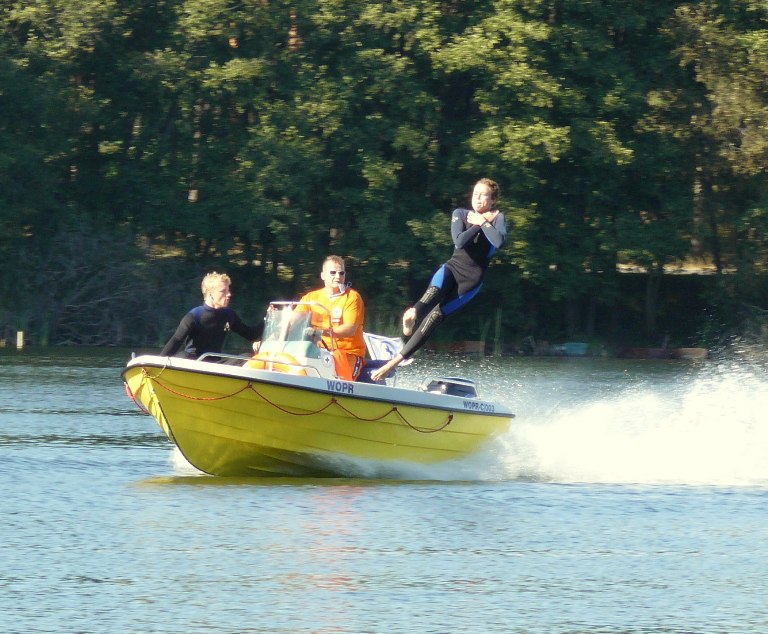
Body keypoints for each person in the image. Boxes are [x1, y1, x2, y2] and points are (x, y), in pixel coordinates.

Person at [371, 178, 507, 381]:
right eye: (475, 193)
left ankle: (392, 363)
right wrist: (477, 224)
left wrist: (484, 223)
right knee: (431, 294)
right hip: (452, 268)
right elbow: (459, 242)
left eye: (483, 194)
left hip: (470, 282)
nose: (477, 198)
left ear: (493, 200)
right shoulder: (461, 214)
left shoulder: (499, 219)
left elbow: (498, 241)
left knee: (434, 319)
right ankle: (412, 313)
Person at [161, 272, 264, 359]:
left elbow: (252, 335)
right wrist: (156, 364)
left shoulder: (229, 315)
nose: (229, 294)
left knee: (247, 357)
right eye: (223, 291)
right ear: (210, 294)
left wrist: (269, 317)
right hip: (193, 362)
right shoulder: (194, 316)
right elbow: (176, 341)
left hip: (215, 363)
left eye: (228, 291)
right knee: (182, 356)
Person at [297, 255, 366, 381]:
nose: (338, 276)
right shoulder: (310, 298)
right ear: (323, 275)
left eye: (341, 273)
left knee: (339, 381)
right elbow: (292, 320)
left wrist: (320, 332)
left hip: (347, 354)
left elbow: (350, 329)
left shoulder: (352, 297)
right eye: (333, 272)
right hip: (317, 351)